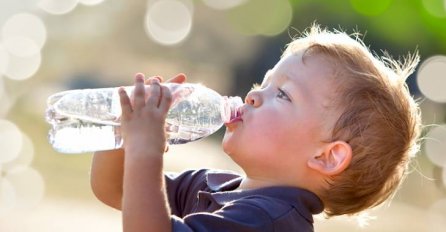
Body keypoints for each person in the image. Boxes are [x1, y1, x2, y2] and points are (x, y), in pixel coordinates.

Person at [90, 24, 422, 231]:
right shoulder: (216, 185)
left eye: (282, 94)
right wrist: (123, 129)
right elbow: (116, 189)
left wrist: (145, 150)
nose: (252, 96)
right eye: (263, 83)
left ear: (327, 156)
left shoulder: (270, 221)